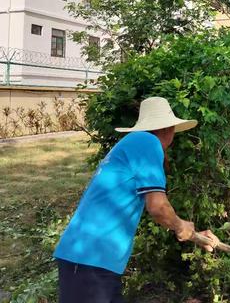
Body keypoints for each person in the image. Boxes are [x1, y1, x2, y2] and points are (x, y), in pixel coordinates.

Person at [53, 97, 219, 303]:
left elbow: (161, 211)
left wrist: (194, 235)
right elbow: (158, 207)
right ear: (169, 129)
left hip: (94, 261)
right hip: (91, 259)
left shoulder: (134, 144)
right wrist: (180, 225)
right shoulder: (147, 142)